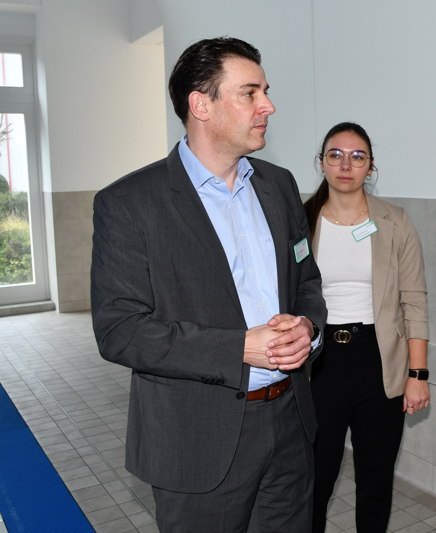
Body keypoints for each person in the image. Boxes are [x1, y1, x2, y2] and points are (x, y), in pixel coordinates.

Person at [91, 37, 326, 532]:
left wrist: (308, 327)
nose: (268, 105)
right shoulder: (131, 203)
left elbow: (306, 279)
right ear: (201, 105)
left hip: (290, 424)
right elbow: (120, 331)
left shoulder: (279, 185)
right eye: (250, 93)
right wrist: (239, 348)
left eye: (266, 91)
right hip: (197, 439)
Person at [303, 122, 429, 532]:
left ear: (370, 166)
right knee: (315, 479)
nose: (346, 165)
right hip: (318, 361)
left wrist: (418, 374)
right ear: (321, 162)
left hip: (379, 360)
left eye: (357, 157)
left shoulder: (395, 221)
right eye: (335, 155)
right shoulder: (300, 220)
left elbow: (414, 300)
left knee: (375, 480)